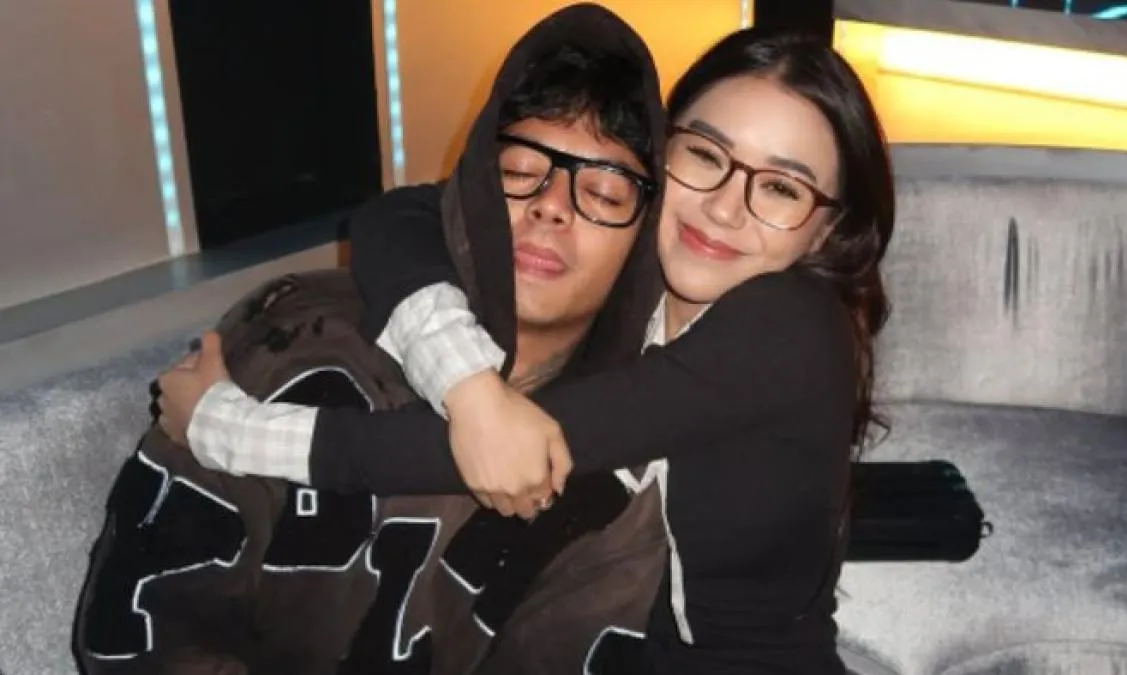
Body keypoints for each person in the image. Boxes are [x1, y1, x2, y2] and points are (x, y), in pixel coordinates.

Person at [161, 27, 895, 674]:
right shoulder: (642, 270)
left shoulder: (788, 323)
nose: (725, 206)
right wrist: (470, 385)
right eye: (705, 155)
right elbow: (398, 215)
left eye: (782, 189)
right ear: (661, 154)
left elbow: (514, 447)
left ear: (828, 230)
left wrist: (227, 428)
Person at [76, 5, 671, 674]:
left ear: (646, 235)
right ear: (474, 183)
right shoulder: (300, 341)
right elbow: (144, 633)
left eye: (605, 193)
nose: (552, 205)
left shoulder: (624, 481)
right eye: (520, 170)